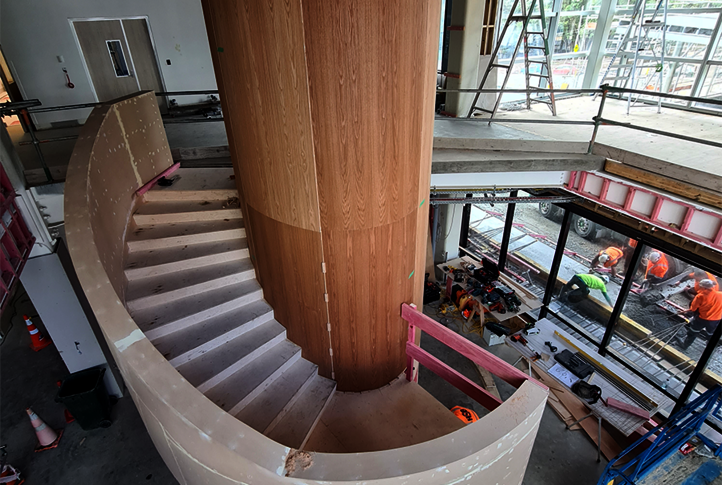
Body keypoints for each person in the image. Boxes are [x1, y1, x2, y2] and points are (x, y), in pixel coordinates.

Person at [677, 279, 722, 350]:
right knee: (711, 334)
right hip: (715, 320)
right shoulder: (720, 295)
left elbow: (693, 309)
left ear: (704, 288)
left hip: (701, 319)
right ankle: (711, 347)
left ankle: (685, 345)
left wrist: (683, 312)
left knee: (693, 331)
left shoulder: (700, 297)